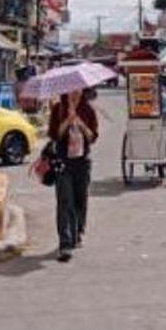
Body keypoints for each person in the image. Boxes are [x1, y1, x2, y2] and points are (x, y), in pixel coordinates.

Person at [48, 88, 99, 262]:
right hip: (63, 163)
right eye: (71, 89)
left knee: (80, 200)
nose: (74, 92)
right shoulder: (58, 109)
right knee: (64, 201)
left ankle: (78, 231)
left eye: (78, 88)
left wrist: (81, 124)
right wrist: (67, 121)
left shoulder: (88, 109)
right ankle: (65, 242)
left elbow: (93, 137)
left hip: (82, 163)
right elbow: (55, 134)